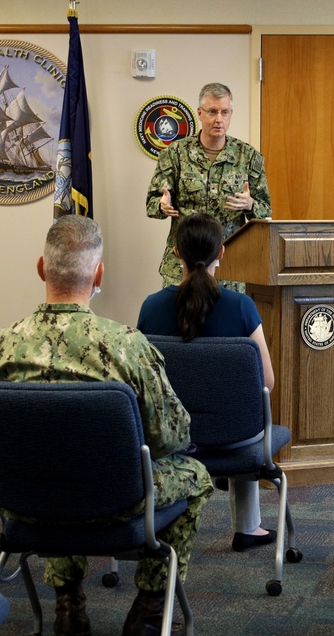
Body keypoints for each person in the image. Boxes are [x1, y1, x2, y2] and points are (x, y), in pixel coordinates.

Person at [0, 216, 213, 636]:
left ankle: (68, 604)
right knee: (195, 474)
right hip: (114, 499)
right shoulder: (126, 346)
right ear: (98, 273)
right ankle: (149, 608)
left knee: (53, 461)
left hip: (23, 500)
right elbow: (172, 436)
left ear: (40, 268)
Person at [137, 211, 276, 551]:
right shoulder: (242, 306)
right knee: (244, 412)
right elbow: (266, 383)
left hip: (169, 437)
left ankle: (161, 521)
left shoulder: (152, 307)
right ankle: (248, 527)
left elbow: (142, 381)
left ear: (176, 253)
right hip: (235, 438)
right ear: (222, 253)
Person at [145, 82, 271, 289]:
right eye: (212, 112)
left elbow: (266, 212)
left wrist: (250, 205)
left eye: (225, 112)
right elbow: (151, 204)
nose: (219, 119)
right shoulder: (175, 154)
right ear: (200, 113)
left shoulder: (248, 157)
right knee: (179, 320)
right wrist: (162, 205)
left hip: (230, 265)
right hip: (183, 264)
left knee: (227, 321)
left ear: (231, 114)